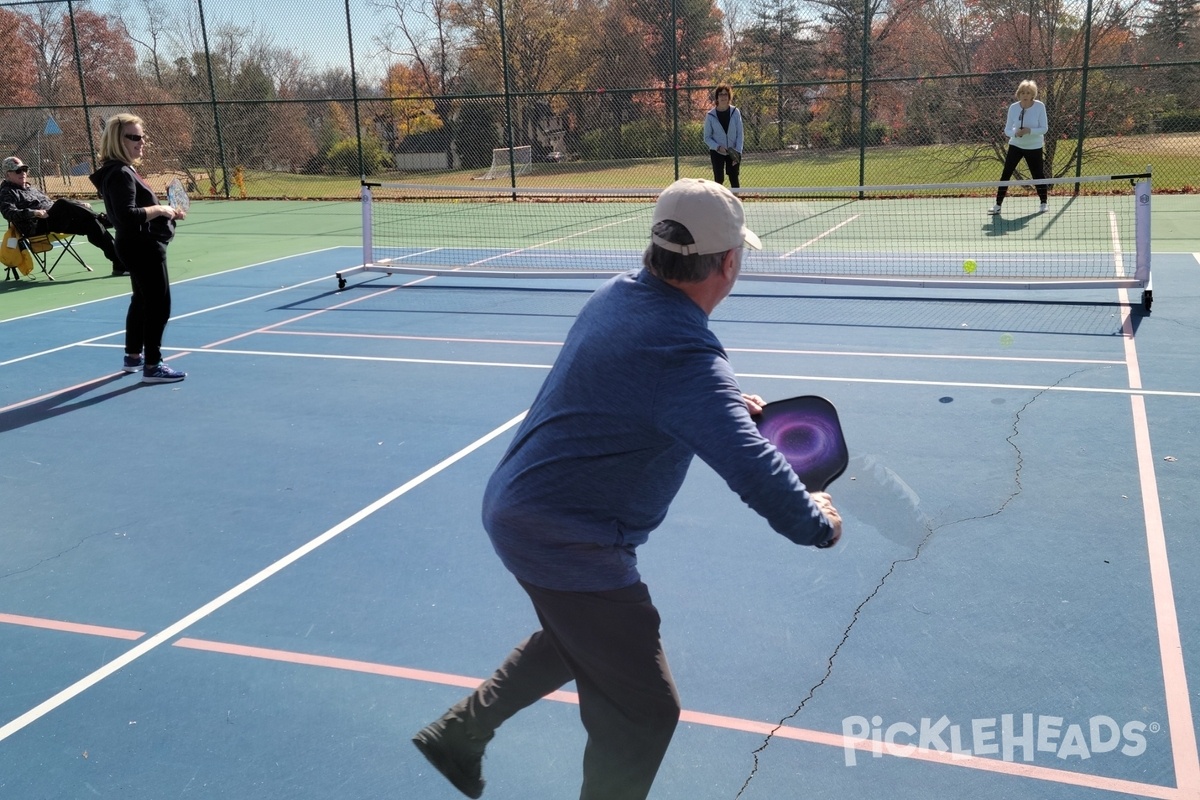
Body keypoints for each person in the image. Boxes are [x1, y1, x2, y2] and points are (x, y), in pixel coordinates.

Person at [412, 178, 842, 800]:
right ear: (727, 262)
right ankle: (464, 736)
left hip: (519, 506)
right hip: (568, 537)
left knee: (579, 638)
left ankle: (460, 734)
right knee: (645, 711)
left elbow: (645, 389)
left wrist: (718, 407)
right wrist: (816, 521)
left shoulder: (620, 294)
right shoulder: (685, 356)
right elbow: (751, 465)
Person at [89, 114, 187, 384]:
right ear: (117, 141)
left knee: (142, 301)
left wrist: (166, 214)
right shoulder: (120, 173)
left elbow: (126, 214)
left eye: (142, 136)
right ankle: (153, 365)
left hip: (136, 245)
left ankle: (134, 357)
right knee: (159, 304)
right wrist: (160, 209)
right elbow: (126, 216)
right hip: (143, 247)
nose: (141, 142)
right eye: (134, 137)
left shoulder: (119, 170)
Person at [0, 156, 123, 275]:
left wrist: (79, 205)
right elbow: (9, 213)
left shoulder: (32, 188)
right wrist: (34, 212)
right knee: (62, 203)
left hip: (55, 220)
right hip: (37, 225)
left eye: (24, 169)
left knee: (91, 224)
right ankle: (104, 218)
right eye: (18, 171)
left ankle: (119, 264)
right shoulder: (6, 192)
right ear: (7, 174)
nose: (23, 173)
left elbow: (50, 204)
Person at [989, 80, 1049, 215]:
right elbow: (1007, 130)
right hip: (1016, 145)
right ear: (1019, 94)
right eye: (1022, 92)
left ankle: (1043, 203)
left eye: (1028, 93)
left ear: (1033, 94)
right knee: (1006, 174)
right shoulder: (1013, 108)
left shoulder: (1040, 107)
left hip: (1034, 146)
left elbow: (1044, 129)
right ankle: (998, 205)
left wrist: (1029, 131)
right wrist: (1015, 133)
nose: (1025, 95)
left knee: (1038, 175)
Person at [703, 85, 744, 189]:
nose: (723, 97)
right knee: (718, 179)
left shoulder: (735, 112)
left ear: (729, 96)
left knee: (734, 178)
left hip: (733, 151)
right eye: (720, 94)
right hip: (717, 152)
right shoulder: (710, 115)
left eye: (725, 94)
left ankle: (736, 203)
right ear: (717, 97)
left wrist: (737, 152)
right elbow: (707, 137)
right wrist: (717, 147)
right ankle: (718, 204)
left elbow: (740, 134)